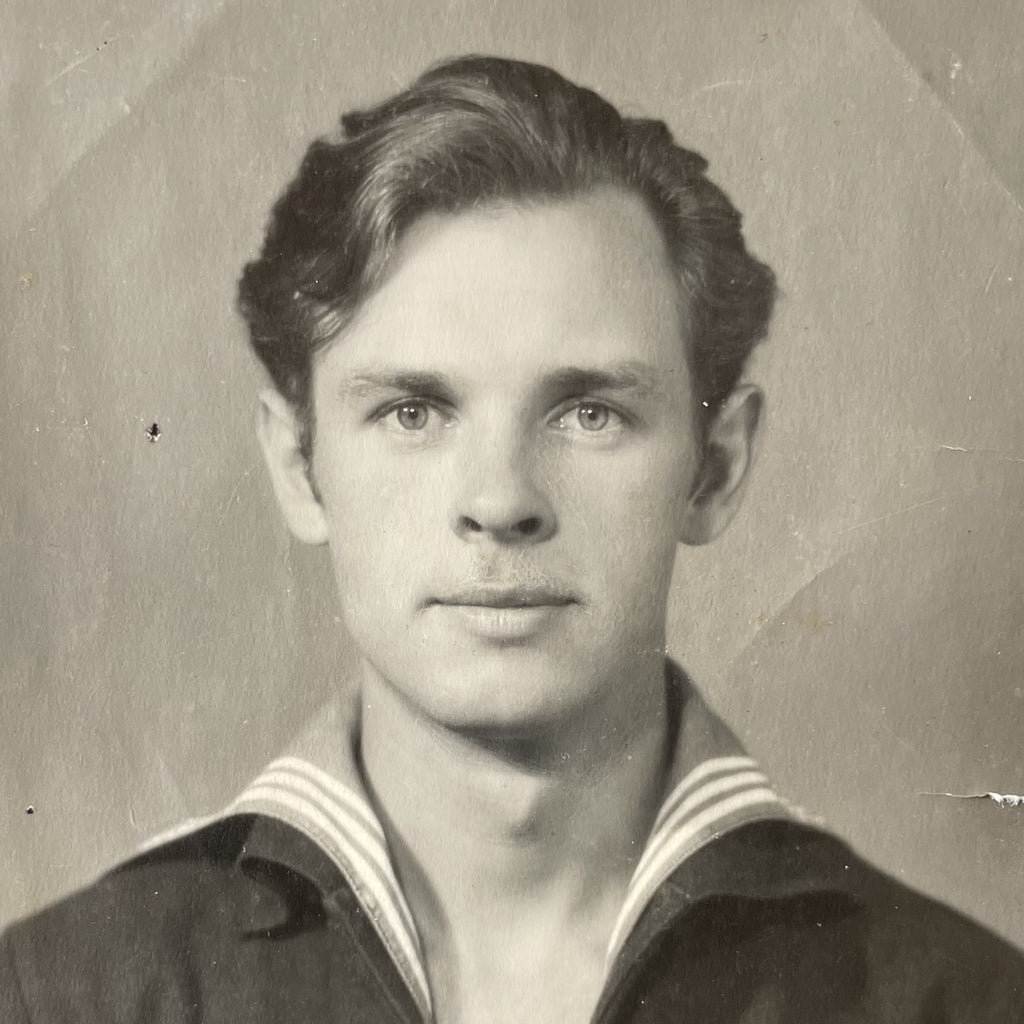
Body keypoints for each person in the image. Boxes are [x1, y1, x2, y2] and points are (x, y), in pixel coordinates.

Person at [1, 55, 1021, 1024]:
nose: (499, 501)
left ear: (714, 467)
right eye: (412, 412)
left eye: (589, 413)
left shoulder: (962, 1002)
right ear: (299, 465)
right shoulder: (58, 995)